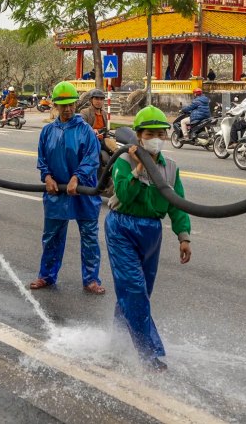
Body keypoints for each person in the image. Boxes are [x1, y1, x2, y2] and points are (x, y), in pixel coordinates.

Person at [106, 105, 192, 371]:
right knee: (134, 289)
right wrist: (140, 167)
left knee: (140, 292)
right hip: (122, 227)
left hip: (151, 231)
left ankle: (117, 340)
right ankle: (149, 354)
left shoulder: (171, 167)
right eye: (150, 133)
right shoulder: (123, 162)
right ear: (139, 135)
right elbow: (124, 194)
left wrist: (183, 236)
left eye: (160, 133)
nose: (156, 138)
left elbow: (177, 203)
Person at [30, 81, 105, 295]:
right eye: (63, 105)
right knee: (52, 236)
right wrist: (46, 176)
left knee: (89, 236)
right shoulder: (47, 131)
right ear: (55, 105)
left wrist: (77, 177)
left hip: (83, 192)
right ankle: (46, 275)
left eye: (71, 104)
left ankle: (91, 279)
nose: (68, 109)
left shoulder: (86, 131)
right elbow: (42, 158)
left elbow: (92, 159)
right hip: (56, 192)